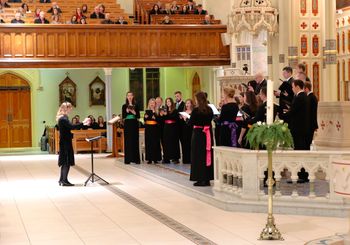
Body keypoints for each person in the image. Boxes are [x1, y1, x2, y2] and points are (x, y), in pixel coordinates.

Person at [189, 92, 213, 186]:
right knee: (206, 155)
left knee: (198, 156)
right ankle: (207, 179)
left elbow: (191, 123)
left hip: (198, 135)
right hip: (207, 134)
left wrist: (186, 119)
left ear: (198, 99)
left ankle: (200, 179)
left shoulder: (196, 110)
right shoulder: (209, 109)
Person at [281, 79, 310, 150]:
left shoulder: (299, 97)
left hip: (298, 127)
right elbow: (297, 110)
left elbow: (293, 112)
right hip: (302, 126)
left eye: (293, 87)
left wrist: (282, 116)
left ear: (297, 87)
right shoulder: (303, 96)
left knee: (299, 147)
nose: (292, 89)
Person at [56, 102, 80, 186]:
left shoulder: (63, 118)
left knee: (65, 161)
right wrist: (83, 123)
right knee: (66, 161)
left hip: (65, 141)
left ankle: (62, 179)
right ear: (66, 108)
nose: (71, 109)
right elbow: (71, 127)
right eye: (70, 108)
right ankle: (64, 180)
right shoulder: (63, 119)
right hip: (65, 142)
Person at [122, 92, 140, 164]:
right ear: (126, 97)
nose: (129, 97)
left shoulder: (136, 105)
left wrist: (133, 112)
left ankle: (136, 159)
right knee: (128, 141)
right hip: (127, 124)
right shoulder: (124, 106)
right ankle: (128, 159)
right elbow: (123, 116)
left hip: (134, 123)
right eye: (128, 95)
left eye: (131, 95)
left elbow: (138, 116)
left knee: (135, 140)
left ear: (133, 96)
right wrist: (126, 111)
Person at [161, 97, 180, 163]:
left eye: (169, 101)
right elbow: (163, 120)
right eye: (167, 102)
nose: (168, 103)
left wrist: (167, 114)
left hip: (173, 127)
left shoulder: (175, 110)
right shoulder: (165, 110)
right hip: (166, 127)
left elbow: (175, 118)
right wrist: (162, 115)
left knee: (174, 142)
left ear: (171, 102)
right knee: (166, 142)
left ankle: (175, 158)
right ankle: (166, 158)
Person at [144, 98, 162, 164]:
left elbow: (159, 121)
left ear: (155, 104)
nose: (152, 104)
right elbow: (145, 120)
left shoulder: (157, 111)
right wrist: (145, 117)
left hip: (155, 129)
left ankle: (155, 158)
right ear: (149, 104)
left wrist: (155, 118)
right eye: (150, 103)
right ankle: (149, 159)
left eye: (153, 103)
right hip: (148, 129)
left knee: (155, 143)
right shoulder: (147, 111)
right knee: (148, 143)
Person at [305, 81, 318, 148]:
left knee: (307, 142)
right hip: (310, 123)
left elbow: (310, 112)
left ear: (306, 89)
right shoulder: (311, 97)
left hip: (310, 123)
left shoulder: (311, 97)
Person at [180, 99, 193, 164]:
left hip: (190, 130)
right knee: (184, 144)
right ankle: (185, 159)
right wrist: (181, 118)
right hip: (184, 130)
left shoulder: (193, 112)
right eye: (186, 103)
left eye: (188, 103)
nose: (187, 104)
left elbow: (192, 121)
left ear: (191, 104)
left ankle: (191, 159)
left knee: (190, 144)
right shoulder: (184, 112)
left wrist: (186, 119)